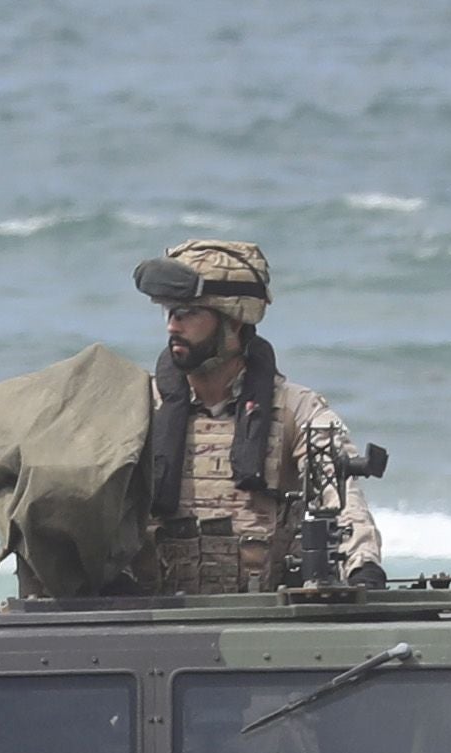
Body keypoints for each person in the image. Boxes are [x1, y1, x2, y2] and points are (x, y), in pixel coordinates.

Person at [129, 238, 384, 598]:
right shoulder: (138, 408)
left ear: (233, 322)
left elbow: (340, 499)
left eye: (187, 313)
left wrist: (364, 568)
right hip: (155, 621)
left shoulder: (297, 411)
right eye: (169, 312)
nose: (173, 327)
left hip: (258, 621)